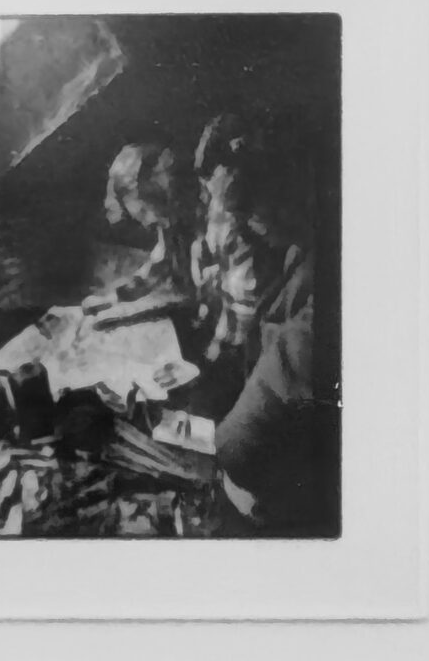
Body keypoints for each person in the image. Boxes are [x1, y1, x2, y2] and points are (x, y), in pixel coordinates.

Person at [191, 112, 337, 535]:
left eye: (248, 211)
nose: (241, 226)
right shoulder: (297, 248)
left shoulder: (327, 286)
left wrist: (230, 448)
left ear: (286, 191)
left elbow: (241, 445)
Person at [89, 142, 202, 310]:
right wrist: (115, 298)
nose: (148, 222)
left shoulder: (209, 217)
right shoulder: (169, 224)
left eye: (144, 211)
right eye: (139, 217)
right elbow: (159, 264)